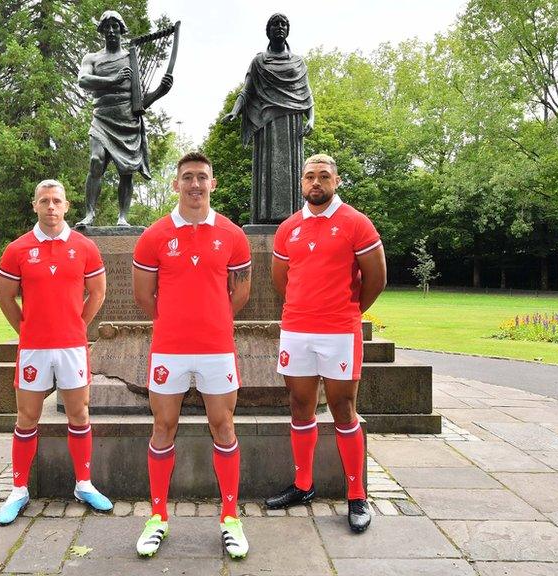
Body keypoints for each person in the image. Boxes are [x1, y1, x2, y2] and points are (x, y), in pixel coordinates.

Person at [131, 151, 252, 558]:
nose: (195, 184)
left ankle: (230, 518)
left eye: (202, 177)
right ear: (175, 184)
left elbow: (241, 293)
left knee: (224, 426)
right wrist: (176, 324)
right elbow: (143, 296)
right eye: (187, 177)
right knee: (163, 427)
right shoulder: (154, 235)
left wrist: (213, 320)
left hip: (218, 350)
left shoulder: (233, 234)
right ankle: (158, 517)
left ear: (212, 183)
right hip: (170, 351)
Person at [266, 153, 386, 533]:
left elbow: (376, 279)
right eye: (309, 177)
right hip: (298, 331)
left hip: (339, 332)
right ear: (301, 183)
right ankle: (303, 485)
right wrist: (306, 311)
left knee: (342, 408)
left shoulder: (356, 223)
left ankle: (356, 494)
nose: (315, 183)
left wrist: (346, 310)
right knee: (301, 406)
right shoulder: (289, 228)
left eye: (323, 177)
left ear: (336, 181)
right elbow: (281, 281)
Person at [0, 179, 111, 525]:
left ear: (66, 205)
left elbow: (98, 293)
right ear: (34, 205)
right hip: (34, 350)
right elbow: (5, 298)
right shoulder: (17, 249)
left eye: (56, 200)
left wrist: (76, 326)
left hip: (72, 348)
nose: (50, 206)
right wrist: (27, 330)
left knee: (79, 414)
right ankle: (18, 490)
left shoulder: (85, 246)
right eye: (44, 200)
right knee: (27, 418)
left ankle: (84, 484)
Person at [76, 10, 173, 227]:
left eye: (115, 26)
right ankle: (90, 213)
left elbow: (140, 103)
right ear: (102, 31)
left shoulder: (131, 58)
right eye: (107, 27)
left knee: (126, 171)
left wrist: (159, 92)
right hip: (102, 118)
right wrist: (113, 79)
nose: (111, 31)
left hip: (127, 121)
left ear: (121, 29)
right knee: (95, 161)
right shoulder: (92, 58)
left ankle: (123, 217)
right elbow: (83, 80)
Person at [222, 13, 313, 224]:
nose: (279, 27)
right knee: (267, 169)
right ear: (268, 31)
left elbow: (307, 95)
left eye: (283, 24)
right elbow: (246, 91)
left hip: (292, 123)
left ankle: (293, 220)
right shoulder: (259, 62)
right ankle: (264, 218)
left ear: (287, 30)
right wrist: (235, 112)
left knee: (291, 170)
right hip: (266, 122)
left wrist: (311, 119)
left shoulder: (298, 62)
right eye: (275, 24)